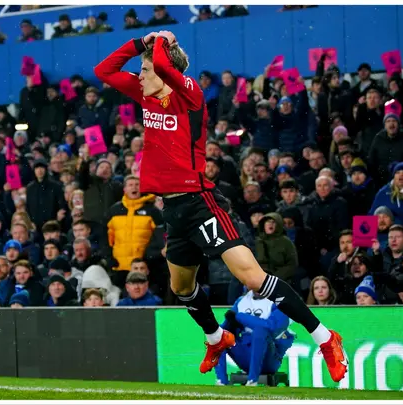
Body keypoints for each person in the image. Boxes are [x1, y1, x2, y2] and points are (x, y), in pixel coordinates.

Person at [94, 30, 346, 380]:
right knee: (182, 287)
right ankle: (215, 338)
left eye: (146, 69)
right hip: (175, 212)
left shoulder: (190, 95)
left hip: (202, 204)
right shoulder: (146, 94)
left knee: (253, 278)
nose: (140, 75)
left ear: (167, 73)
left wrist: (163, 43)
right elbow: (104, 70)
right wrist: (141, 43)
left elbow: (167, 69)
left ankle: (326, 338)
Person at [214, 290, 295, 386]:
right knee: (218, 333)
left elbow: (271, 327)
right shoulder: (241, 301)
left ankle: (253, 380)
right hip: (245, 354)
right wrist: (228, 323)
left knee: (260, 331)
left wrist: (241, 317)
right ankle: (222, 381)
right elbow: (226, 326)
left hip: (269, 358)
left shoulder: (278, 302)